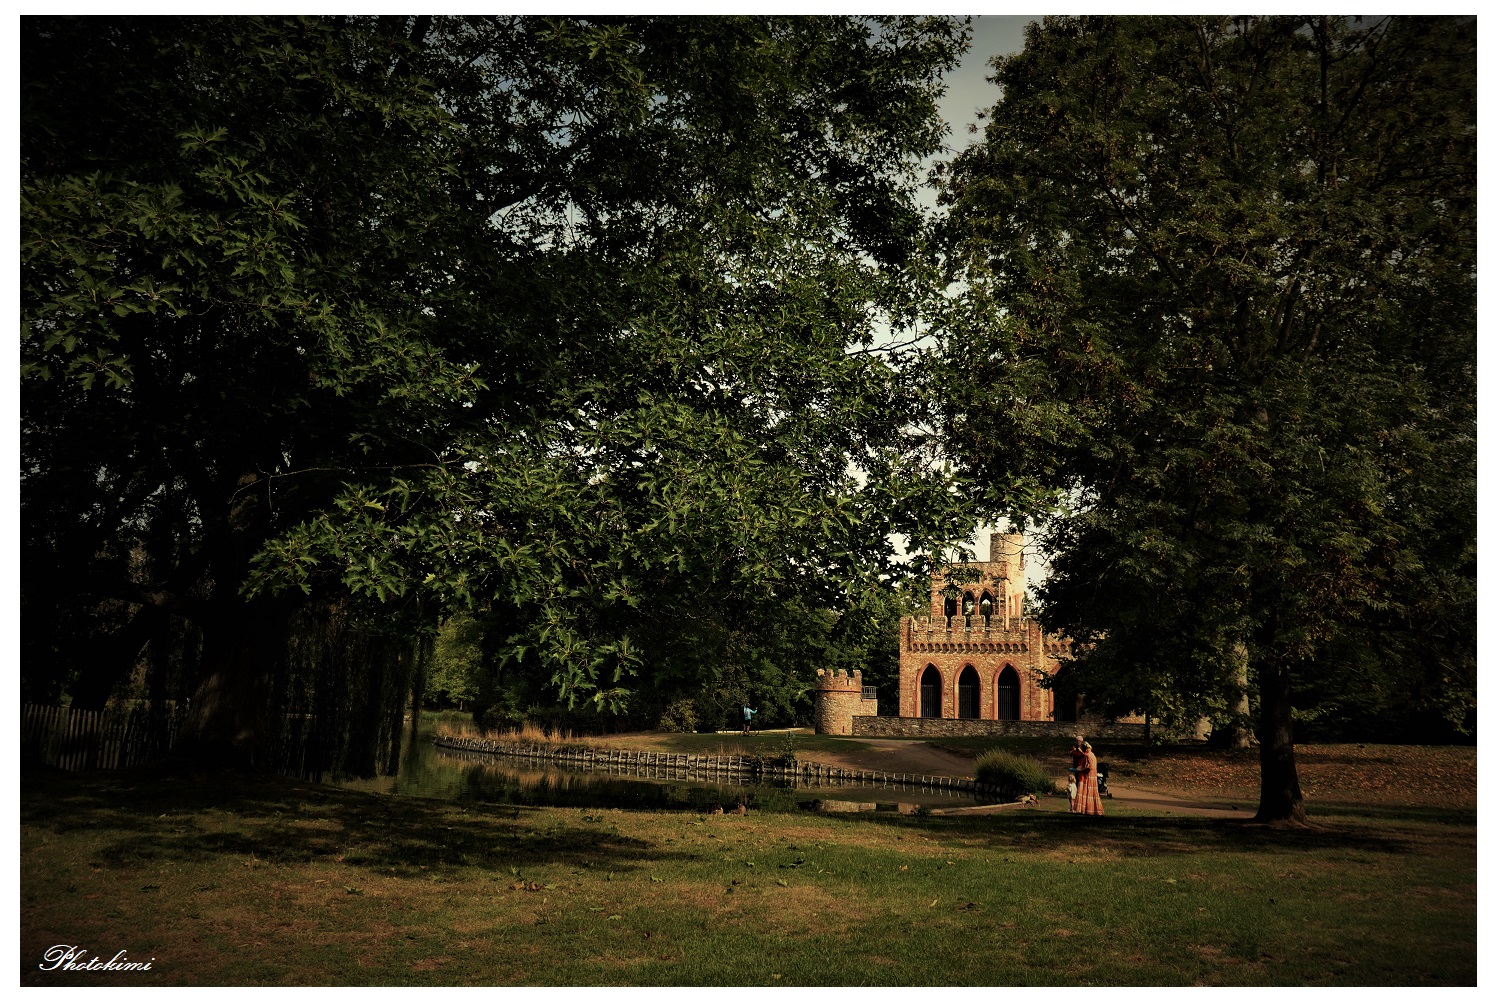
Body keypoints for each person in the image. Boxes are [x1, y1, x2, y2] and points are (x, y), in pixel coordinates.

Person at [1075, 740, 1105, 816]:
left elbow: (1089, 767)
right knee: (1092, 793)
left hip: (1088, 776)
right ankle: (1093, 809)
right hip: (1093, 776)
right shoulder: (1092, 755)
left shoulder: (1087, 755)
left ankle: (1087, 809)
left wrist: (1080, 769)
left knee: (1087, 792)